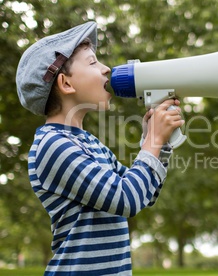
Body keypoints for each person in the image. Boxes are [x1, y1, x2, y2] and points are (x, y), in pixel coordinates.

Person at [16, 21, 184, 275]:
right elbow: (126, 200)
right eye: (93, 62)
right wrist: (153, 143)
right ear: (66, 84)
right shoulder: (53, 145)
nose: (106, 69)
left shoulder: (89, 143)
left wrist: (158, 142)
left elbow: (144, 195)